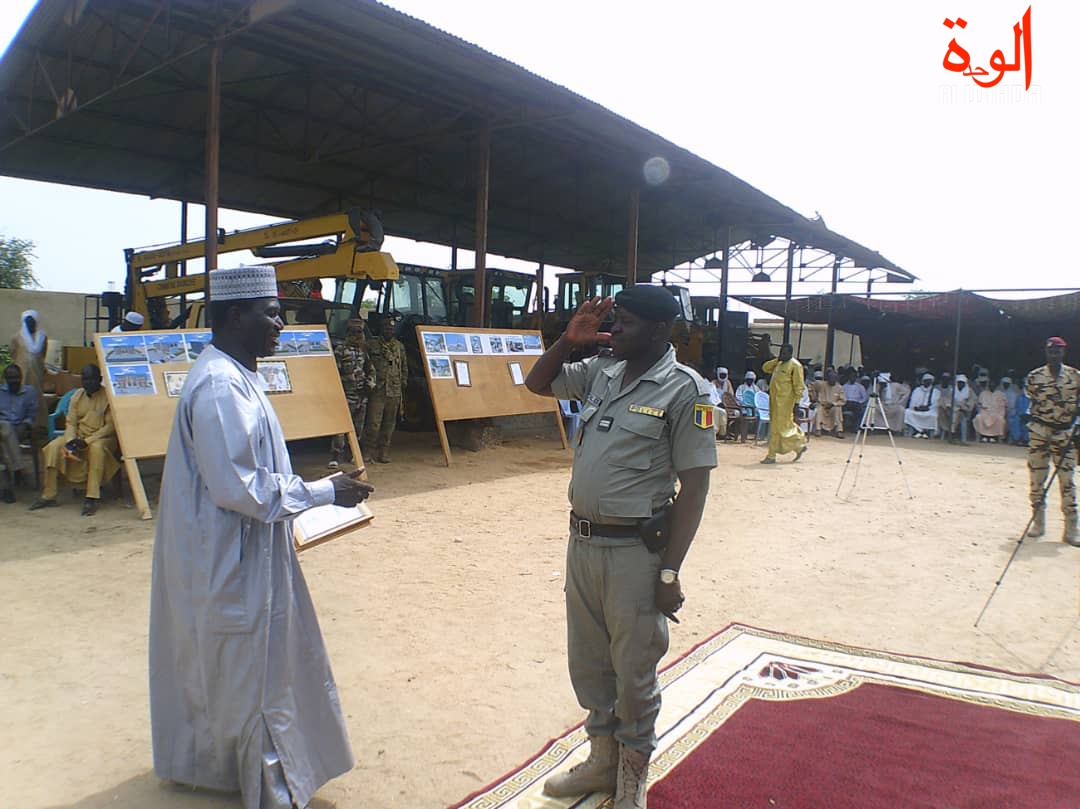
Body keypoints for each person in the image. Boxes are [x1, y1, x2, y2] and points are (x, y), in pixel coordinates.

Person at [148, 266, 373, 808]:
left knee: (248, 665)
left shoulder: (237, 376)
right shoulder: (220, 386)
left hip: (246, 547)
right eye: (270, 314)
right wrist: (325, 492)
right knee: (252, 669)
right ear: (234, 315)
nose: (280, 324)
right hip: (228, 554)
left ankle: (241, 770)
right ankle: (268, 785)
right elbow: (239, 487)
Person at [524, 288, 715, 809]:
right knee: (589, 664)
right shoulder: (601, 372)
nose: (615, 331)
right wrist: (568, 341)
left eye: (626, 322)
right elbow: (537, 383)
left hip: (636, 552)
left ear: (659, 329)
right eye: (616, 321)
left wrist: (669, 572)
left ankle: (632, 778)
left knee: (633, 673)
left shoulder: (685, 390)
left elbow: (695, 489)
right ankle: (601, 761)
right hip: (583, 544)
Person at [29, 364, 119, 516]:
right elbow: (70, 422)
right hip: (78, 435)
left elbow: (110, 427)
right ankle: (49, 495)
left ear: (99, 379)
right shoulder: (77, 396)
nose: (88, 382)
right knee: (53, 447)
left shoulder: (108, 397)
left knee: (96, 449)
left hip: (102, 438)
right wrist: (71, 441)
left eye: (91, 379)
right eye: (85, 379)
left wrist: (87, 441)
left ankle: (92, 497)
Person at [1024, 337, 1080, 545]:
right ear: (1046, 352)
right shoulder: (1034, 377)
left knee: (1067, 481)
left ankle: (1071, 529)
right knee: (1037, 478)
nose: (1054, 355)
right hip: (1040, 433)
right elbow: (1030, 402)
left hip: (1065, 434)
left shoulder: (1075, 376)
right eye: (1051, 351)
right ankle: (1038, 523)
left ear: (1064, 352)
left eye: (1058, 351)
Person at [329, 319, 375, 468]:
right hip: (346, 394)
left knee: (358, 428)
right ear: (348, 333)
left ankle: (352, 454)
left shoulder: (363, 351)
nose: (357, 335)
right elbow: (334, 373)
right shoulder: (340, 350)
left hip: (361, 395)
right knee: (341, 428)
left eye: (359, 332)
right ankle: (336, 456)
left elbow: (371, 370)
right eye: (354, 332)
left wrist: (369, 385)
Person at [362, 314, 407, 463]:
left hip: (394, 390)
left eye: (392, 328)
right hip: (378, 390)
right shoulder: (371, 345)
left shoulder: (399, 347)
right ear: (381, 329)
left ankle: (383, 452)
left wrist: (403, 383)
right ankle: (367, 451)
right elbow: (364, 364)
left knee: (389, 424)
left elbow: (404, 368)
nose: (389, 330)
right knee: (373, 423)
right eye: (386, 327)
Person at [760, 343, 807, 464]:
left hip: (785, 403)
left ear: (790, 353)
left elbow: (799, 386)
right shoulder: (778, 363)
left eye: (785, 353)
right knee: (780, 427)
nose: (782, 355)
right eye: (781, 353)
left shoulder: (795, 366)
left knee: (780, 428)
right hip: (774, 402)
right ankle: (799, 446)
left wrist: (797, 404)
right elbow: (765, 368)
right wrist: (776, 360)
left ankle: (772, 455)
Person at [0, 363, 38, 502]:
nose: (14, 381)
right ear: (6, 379)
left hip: (19, 429)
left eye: (16, 377)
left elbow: (32, 415)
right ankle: (17, 468)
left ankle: (6, 488)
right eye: (10, 378)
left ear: (21, 377)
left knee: (3, 444)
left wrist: (26, 424)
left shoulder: (30, 392)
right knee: (5, 427)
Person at [9, 309, 47, 428]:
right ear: (24, 322)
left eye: (32, 321)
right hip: (22, 373)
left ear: (36, 322)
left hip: (37, 373)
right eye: (28, 321)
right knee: (21, 397)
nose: (30, 323)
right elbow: (12, 353)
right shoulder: (16, 337)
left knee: (36, 397)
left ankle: (38, 426)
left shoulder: (42, 337)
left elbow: (43, 354)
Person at [904, 373, 939, 438]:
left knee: (934, 415)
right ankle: (921, 432)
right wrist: (917, 408)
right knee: (908, 412)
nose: (927, 382)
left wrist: (927, 408)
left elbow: (935, 404)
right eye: (926, 380)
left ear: (932, 382)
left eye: (929, 381)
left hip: (929, 411)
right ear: (923, 381)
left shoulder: (935, 391)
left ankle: (920, 432)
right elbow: (912, 402)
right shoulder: (917, 390)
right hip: (917, 410)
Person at [973, 376, 1007, 443]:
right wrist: (982, 411)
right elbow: (979, 405)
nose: (992, 386)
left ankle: (993, 437)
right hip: (985, 412)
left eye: (993, 385)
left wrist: (1000, 414)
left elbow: (1003, 407)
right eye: (990, 385)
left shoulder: (1001, 394)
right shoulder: (983, 393)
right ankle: (983, 436)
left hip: (996, 413)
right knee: (979, 417)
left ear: (996, 386)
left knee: (1000, 419)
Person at [814, 369, 845, 438]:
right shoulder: (822, 385)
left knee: (838, 409)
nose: (832, 380)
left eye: (834, 378)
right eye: (830, 378)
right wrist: (825, 404)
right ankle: (818, 429)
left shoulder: (839, 387)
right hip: (824, 405)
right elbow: (820, 397)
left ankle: (839, 431)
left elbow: (843, 400)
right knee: (819, 409)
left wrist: (834, 404)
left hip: (833, 406)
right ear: (828, 378)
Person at [948, 374, 975, 442]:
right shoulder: (952, 390)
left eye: (962, 383)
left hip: (965, 411)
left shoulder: (970, 391)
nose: (960, 384)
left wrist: (964, 408)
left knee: (961, 416)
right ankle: (952, 434)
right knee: (954, 415)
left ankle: (959, 436)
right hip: (953, 410)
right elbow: (949, 401)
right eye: (959, 382)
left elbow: (971, 402)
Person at [1001, 377, 1022, 444]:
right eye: (1004, 383)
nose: (1005, 385)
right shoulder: (1001, 392)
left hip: (1011, 412)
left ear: (1010, 384)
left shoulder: (1013, 393)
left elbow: (1012, 405)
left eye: (1007, 384)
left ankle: (1011, 439)